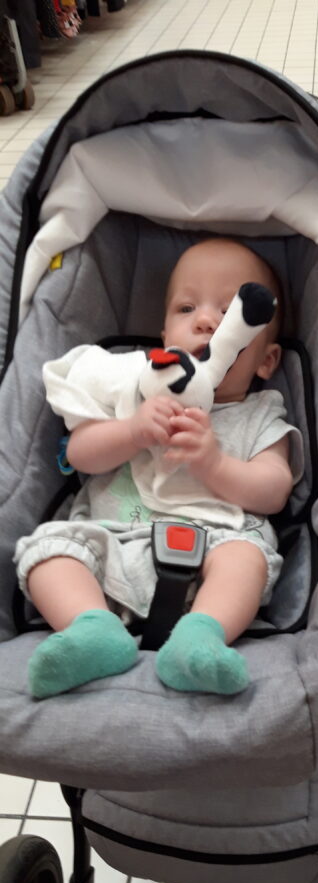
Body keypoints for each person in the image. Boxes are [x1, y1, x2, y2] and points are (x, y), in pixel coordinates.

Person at [15, 238, 303, 700]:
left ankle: (200, 637)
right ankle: (92, 629)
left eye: (227, 312)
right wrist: (132, 431)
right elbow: (80, 455)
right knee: (48, 552)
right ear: (165, 340)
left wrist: (214, 464)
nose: (206, 321)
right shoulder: (132, 391)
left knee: (246, 559)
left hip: (214, 547)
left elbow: (274, 490)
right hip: (111, 540)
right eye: (187, 308)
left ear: (266, 360)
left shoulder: (261, 414)